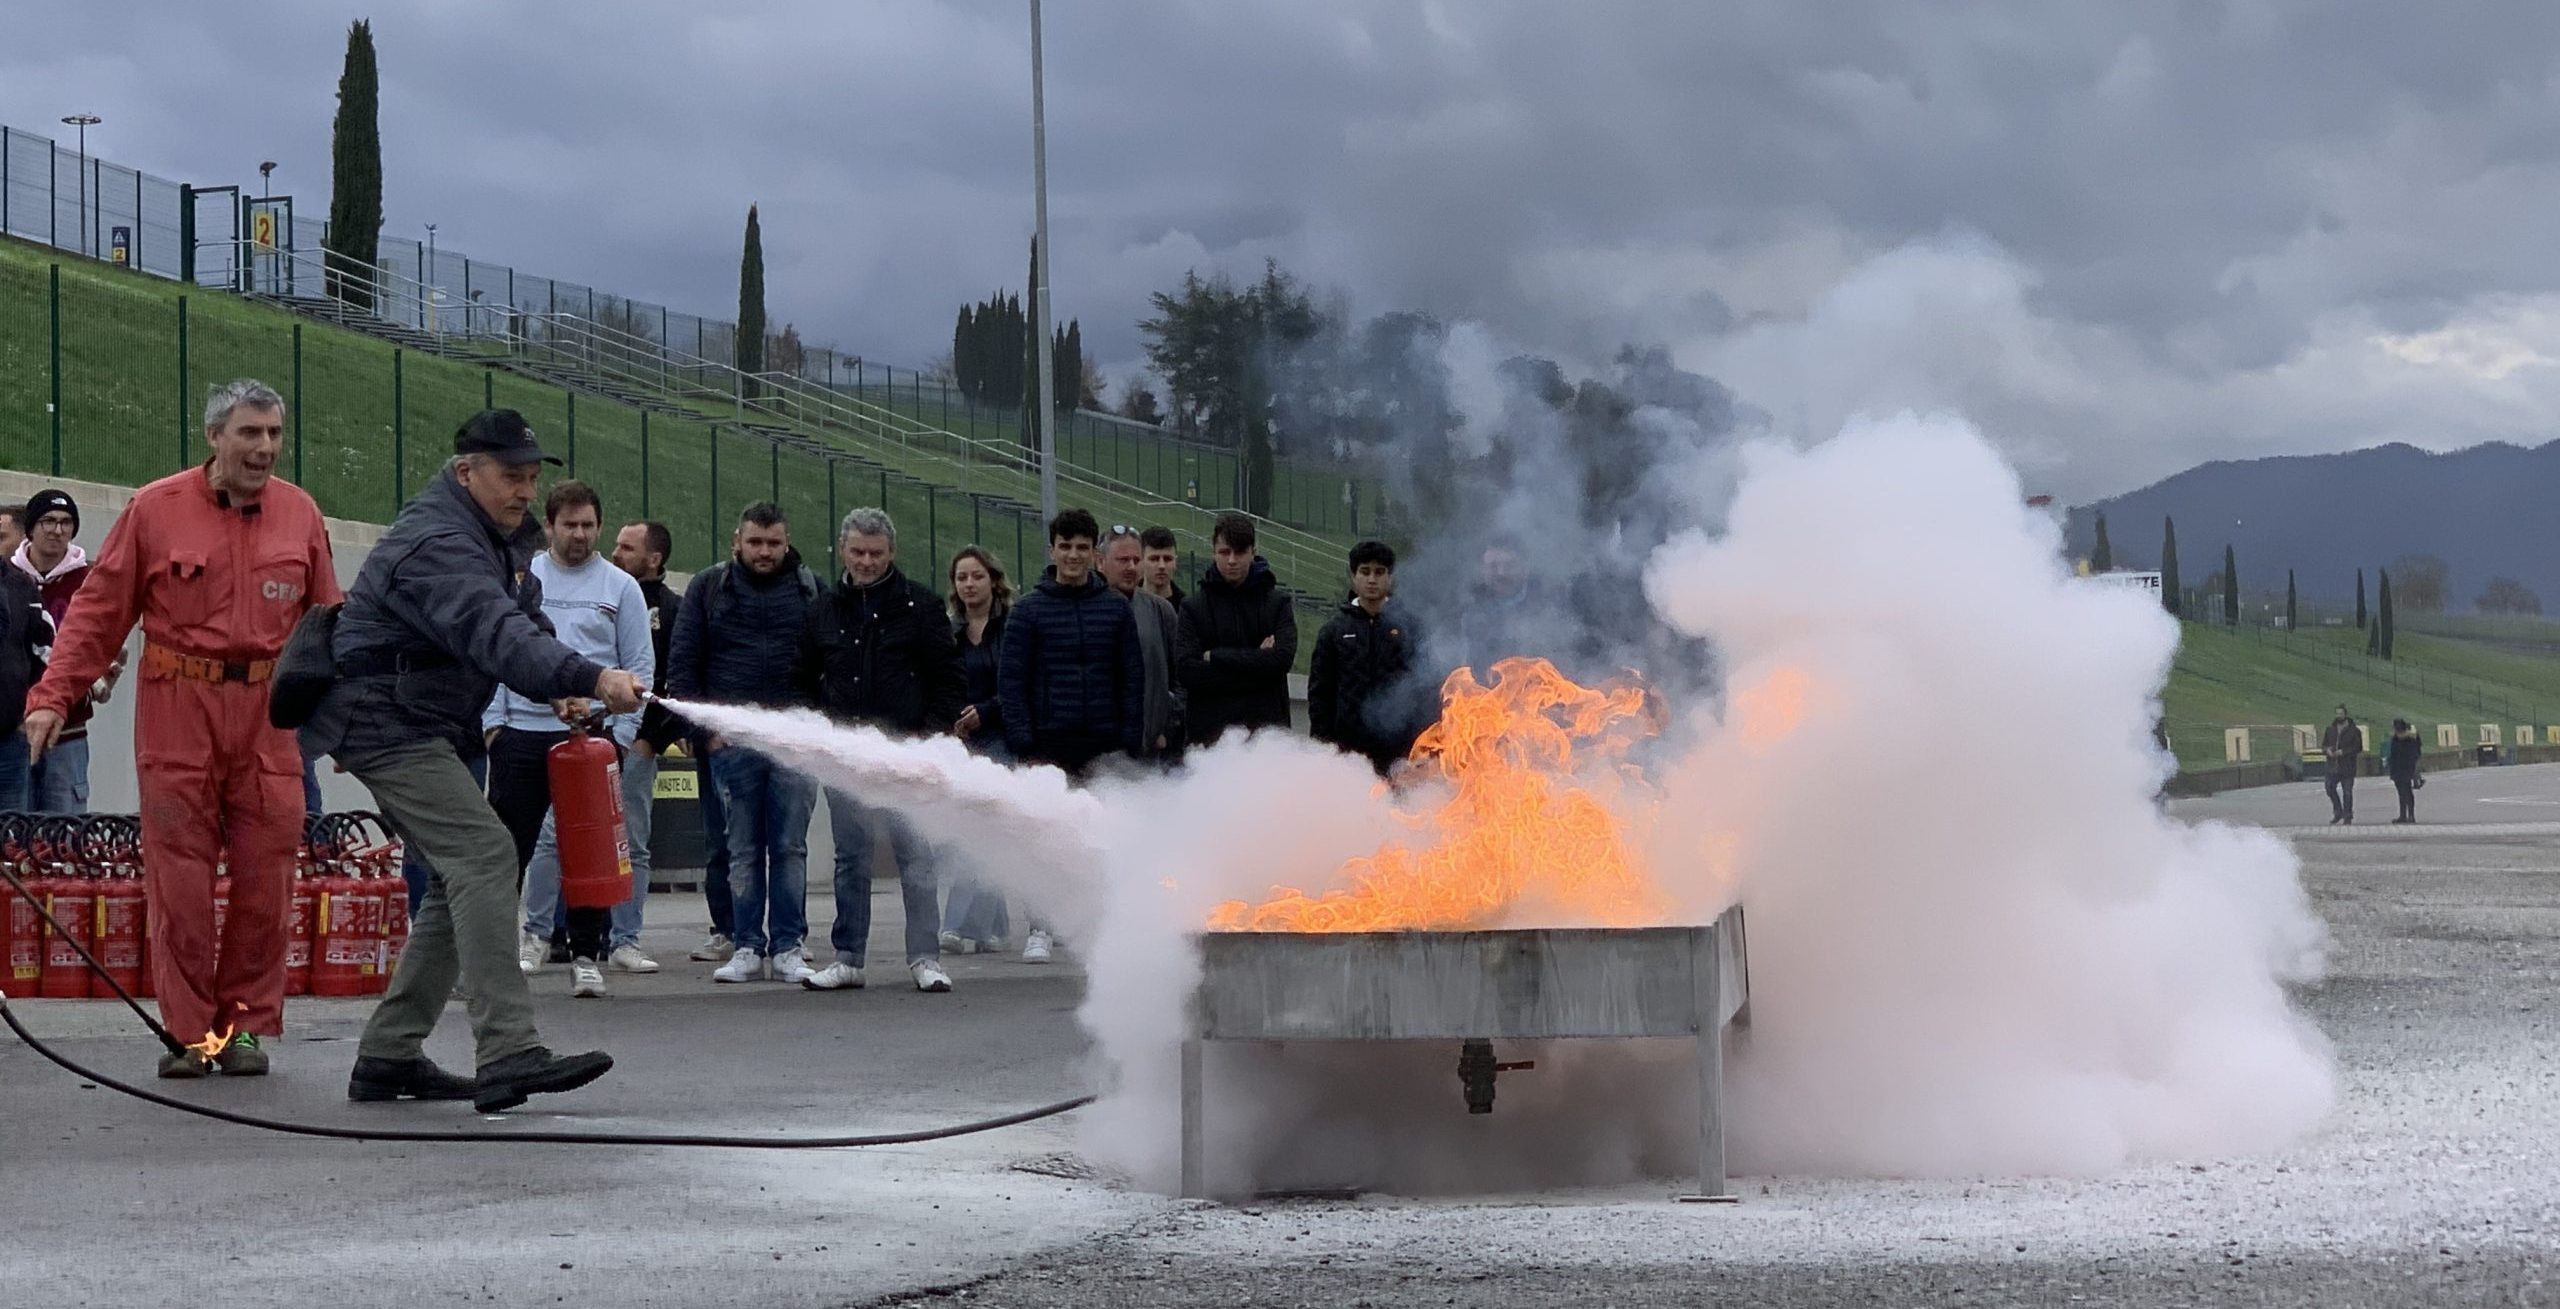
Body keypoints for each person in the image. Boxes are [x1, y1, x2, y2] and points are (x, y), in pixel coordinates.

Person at [306, 409, 640, 1111]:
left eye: (530, 477)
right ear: (466, 472)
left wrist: (558, 687)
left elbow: (524, 620)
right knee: (488, 854)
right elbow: (492, 631)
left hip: (428, 715)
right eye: (509, 476)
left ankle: (390, 1054)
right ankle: (508, 1051)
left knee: (466, 868)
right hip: (384, 718)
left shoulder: (498, 535)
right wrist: (586, 675)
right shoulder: (440, 543)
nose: (523, 490)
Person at [22, 380, 340, 1078]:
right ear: (215, 437)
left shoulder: (300, 515)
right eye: (250, 433)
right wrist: (52, 696)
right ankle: (192, 1033)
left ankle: (245, 1028)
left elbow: (329, 626)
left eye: (274, 435)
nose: (264, 448)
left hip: (267, 715)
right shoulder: (154, 509)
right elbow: (98, 614)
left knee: (267, 877)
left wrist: (348, 721)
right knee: (181, 882)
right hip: (178, 708)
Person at [793, 508, 967, 994]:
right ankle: (849, 958)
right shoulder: (822, 609)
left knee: (916, 857)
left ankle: (925, 958)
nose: (866, 561)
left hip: (907, 757)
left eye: (876, 553)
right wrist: (816, 734)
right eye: (857, 552)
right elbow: (800, 679)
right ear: (842, 550)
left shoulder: (923, 607)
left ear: (892, 553)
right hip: (843, 759)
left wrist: (928, 740)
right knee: (851, 858)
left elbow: (949, 680)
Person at [506, 482, 657, 998]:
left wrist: (618, 738)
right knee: (509, 849)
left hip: (591, 740)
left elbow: (639, 668)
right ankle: (523, 941)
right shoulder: (524, 577)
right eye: (569, 524)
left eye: (588, 525)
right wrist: (493, 727)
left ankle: (587, 954)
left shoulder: (621, 588)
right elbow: (498, 652)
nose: (579, 534)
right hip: (522, 734)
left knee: (589, 848)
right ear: (549, 526)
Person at [669, 501, 822, 984]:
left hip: (793, 743)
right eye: (755, 542)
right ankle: (746, 945)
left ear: (787, 541)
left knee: (790, 848)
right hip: (731, 744)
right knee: (741, 849)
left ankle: (788, 946)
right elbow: (683, 663)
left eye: (774, 543)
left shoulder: (810, 590)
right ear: (737, 540)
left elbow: (829, 665)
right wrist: (704, 734)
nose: (764, 551)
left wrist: (814, 731)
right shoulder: (708, 588)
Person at [999, 509, 1144, 963]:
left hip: (1103, 743)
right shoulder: (1028, 612)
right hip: (1047, 744)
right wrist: (1024, 740)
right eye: (1066, 546)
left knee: (1101, 839)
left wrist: (1128, 738)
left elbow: (1132, 678)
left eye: (1083, 548)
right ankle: (1041, 927)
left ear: (1094, 554)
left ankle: (1099, 922)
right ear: (1053, 550)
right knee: (1044, 841)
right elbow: (1012, 681)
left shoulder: (1116, 609)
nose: (1074, 555)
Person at [13, 487, 126, 813]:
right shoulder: (9, 576)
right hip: (12, 735)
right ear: (31, 527)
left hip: (69, 734)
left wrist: (93, 687)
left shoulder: (91, 580)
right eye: (48, 521)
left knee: (64, 839)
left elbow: (109, 641)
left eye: (65, 522)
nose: (56, 530)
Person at [612, 518, 693, 959]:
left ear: (654, 558)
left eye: (627, 547)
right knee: (564, 840)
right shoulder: (604, 592)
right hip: (590, 737)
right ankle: (563, 937)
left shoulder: (672, 611)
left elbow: (674, 682)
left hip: (638, 746)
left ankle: (626, 938)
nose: (616, 553)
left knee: (632, 843)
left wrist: (651, 740)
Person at [940, 545, 1012, 955]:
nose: (968, 584)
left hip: (1002, 736)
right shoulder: (949, 632)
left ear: (993, 580)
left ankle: (955, 925)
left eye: (976, 576)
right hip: (962, 740)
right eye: (961, 577)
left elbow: (1018, 683)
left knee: (981, 829)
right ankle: (991, 925)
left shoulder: (1011, 627)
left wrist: (985, 711)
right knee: (974, 833)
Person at [1174, 511, 1297, 747]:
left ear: (1253, 552)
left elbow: (1281, 661)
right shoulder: (1192, 608)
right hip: (1209, 743)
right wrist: (1258, 664)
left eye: (1239, 552)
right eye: (1224, 552)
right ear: (1213, 552)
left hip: (1267, 742)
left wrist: (1216, 657)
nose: (1231, 560)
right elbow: (1187, 671)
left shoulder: (1277, 604)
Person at [1307, 540, 1426, 775]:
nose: (1372, 579)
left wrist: (1420, 744)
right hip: (1348, 750)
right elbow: (1321, 693)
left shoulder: (1410, 628)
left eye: (1379, 572)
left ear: (1390, 578)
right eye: (1365, 572)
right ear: (1353, 576)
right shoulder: (1334, 631)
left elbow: (1422, 689)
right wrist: (1323, 745)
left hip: (1397, 749)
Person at [1104, 524, 1182, 758]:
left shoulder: (1161, 611)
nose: (1131, 567)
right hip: (1098, 746)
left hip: (1148, 750)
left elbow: (1181, 678)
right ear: (1100, 562)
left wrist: (1166, 727)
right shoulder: (1086, 610)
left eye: (1136, 560)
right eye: (1122, 560)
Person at [0, 531, 51, 814]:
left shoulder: (21, 586)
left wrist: (31, 709)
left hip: (9, 741)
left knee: (13, 843)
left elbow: (43, 650)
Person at [2322, 705, 2363, 825]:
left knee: (2347, 792)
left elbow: (2358, 747)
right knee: (2329, 788)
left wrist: (2344, 752)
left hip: (2347, 767)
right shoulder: (2330, 729)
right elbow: (2324, 745)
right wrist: (2327, 750)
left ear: (2345, 714)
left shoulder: (2354, 731)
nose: (2339, 716)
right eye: (2337, 713)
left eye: (2341, 713)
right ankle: (2338, 811)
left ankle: (2348, 815)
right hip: (2332, 766)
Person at [2386, 718, 2424, 824]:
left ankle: (2409, 815)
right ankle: (2404, 815)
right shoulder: (2397, 739)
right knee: (2402, 792)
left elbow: (2414, 753)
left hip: (2405, 768)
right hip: (2398, 769)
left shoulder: (2409, 739)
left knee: (2406, 792)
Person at [1138, 525, 1185, 607]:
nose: (1161, 566)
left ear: (1176, 562)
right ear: (1141, 561)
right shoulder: (1126, 604)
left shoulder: (1187, 609)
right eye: (1154, 559)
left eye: (1168, 559)